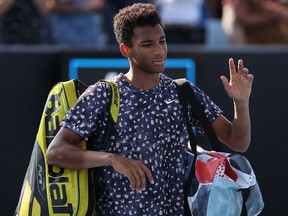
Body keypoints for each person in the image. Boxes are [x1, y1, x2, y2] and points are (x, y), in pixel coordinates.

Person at [46, 3, 254, 215]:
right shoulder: (103, 94)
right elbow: (56, 152)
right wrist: (110, 159)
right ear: (126, 49)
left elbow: (237, 142)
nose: (159, 50)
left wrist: (241, 103)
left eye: (162, 41)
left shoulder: (183, 92)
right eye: (147, 44)